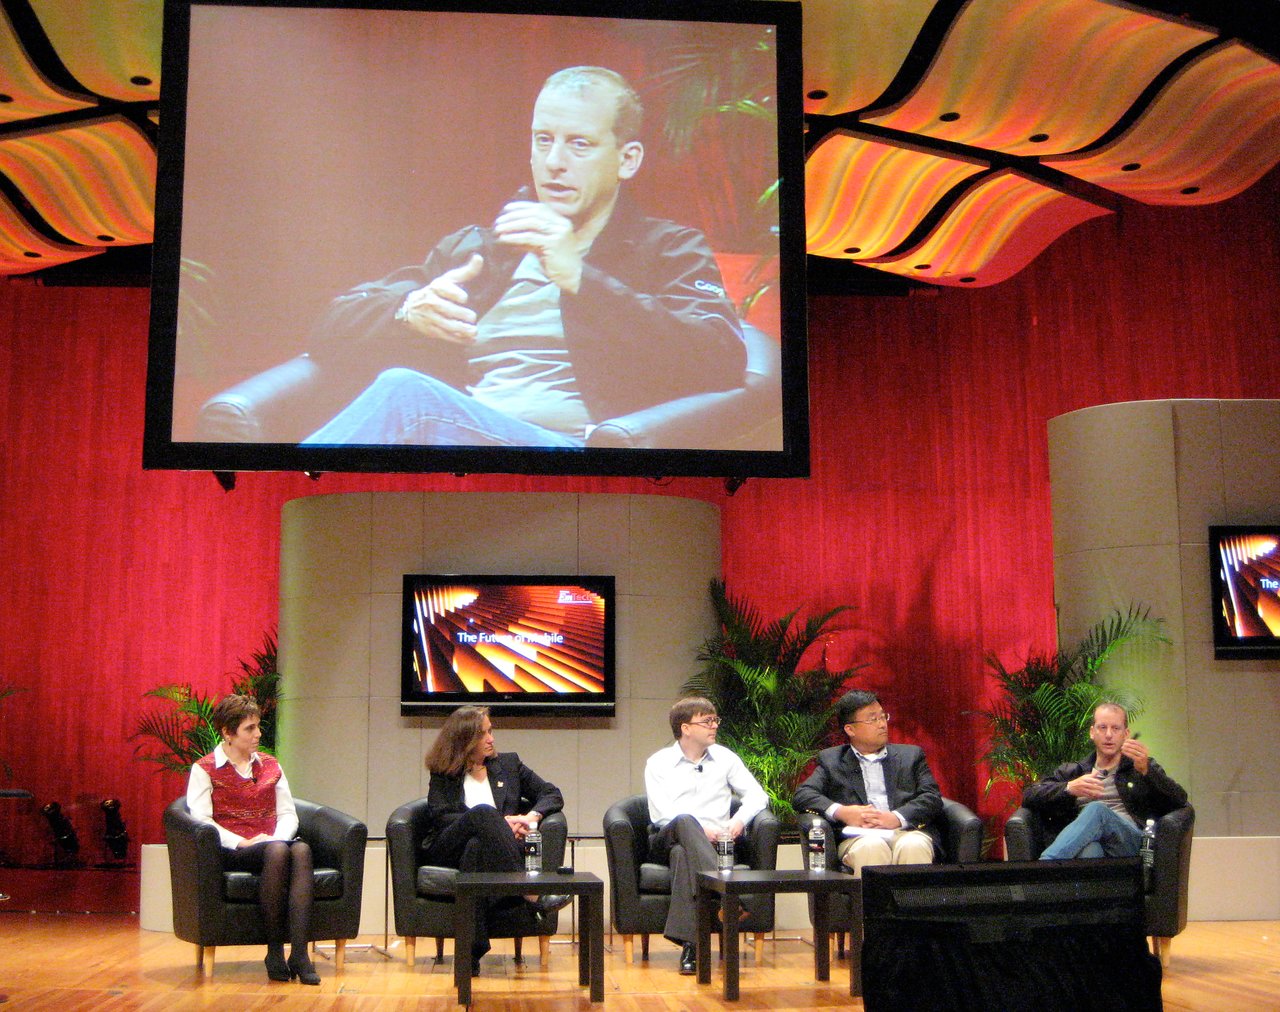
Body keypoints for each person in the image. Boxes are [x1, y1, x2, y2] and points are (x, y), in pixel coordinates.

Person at [303, 65, 746, 448]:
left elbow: (720, 356)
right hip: (461, 439)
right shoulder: (480, 250)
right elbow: (329, 326)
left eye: (579, 144)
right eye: (543, 140)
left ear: (626, 160)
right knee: (408, 397)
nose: (554, 161)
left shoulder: (668, 249)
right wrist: (406, 312)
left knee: (407, 396)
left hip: (573, 450)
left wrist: (581, 278)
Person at [421, 705, 569, 975]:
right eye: (484, 734)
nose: (491, 739)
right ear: (465, 739)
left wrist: (531, 817)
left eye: (491, 731)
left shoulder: (509, 765)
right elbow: (443, 817)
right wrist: (499, 823)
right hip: (448, 847)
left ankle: (470, 954)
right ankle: (531, 892)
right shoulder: (444, 772)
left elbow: (552, 793)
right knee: (483, 814)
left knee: (475, 848)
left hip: (487, 853)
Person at [186, 694, 320, 985]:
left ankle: (299, 953)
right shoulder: (205, 769)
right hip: (234, 849)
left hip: (271, 842)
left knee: (300, 850)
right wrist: (241, 842)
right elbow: (201, 820)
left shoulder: (271, 765)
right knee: (278, 852)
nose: (258, 734)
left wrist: (275, 838)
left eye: (258, 726)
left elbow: (288, 813)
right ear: (228, 732)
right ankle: (274, 950)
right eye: (250, 728)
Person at [644, 696, 769, 975]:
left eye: (715, 720)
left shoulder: (725, 758)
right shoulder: (659, 763)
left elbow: (757, 796)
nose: (714, 726)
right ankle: (729, 895)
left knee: (683, 857)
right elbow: (662, 814)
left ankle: (691, 947)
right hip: (667, 837)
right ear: (686, 728)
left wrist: (738, 821)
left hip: (714, 845)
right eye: (707, 721)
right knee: (685, 821)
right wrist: (702, 830)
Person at [793, 689, 942, 876]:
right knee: (872, 848)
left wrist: (896, 817)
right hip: (859, 838)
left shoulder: (910, 756)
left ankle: (912, 897)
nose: (882, 724)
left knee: (913, 846)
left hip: (905, 831)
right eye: (873, 719)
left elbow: (931, 797)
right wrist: (843, 812)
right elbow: (803, 795)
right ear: (850, 729)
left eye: (883, 717)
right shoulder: (832, 760)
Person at [1023, 702, 1188, 859]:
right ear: (1092, 732)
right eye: (1102, 727)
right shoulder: (1074, 772)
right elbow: (1029, 794)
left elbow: (1179, 800)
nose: (1109, 735)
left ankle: (1044, 867)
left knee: (1097, 810)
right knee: (1090, 850)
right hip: (1088, 842)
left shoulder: (1140, 767)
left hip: (1129, 842)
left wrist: (1148, 772)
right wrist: (1068, 787)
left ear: (1126, 734)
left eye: (1115, 728)